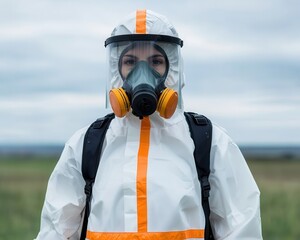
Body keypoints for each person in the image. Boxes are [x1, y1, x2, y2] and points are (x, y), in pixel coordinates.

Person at [35, 10, 262, 240]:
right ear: (116, 69)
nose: (142, 74)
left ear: (173, 68)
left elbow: (243, 230)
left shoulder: (209, 142)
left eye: (156, 61)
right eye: (130, 61)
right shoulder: (86, 145)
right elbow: (55, 232)